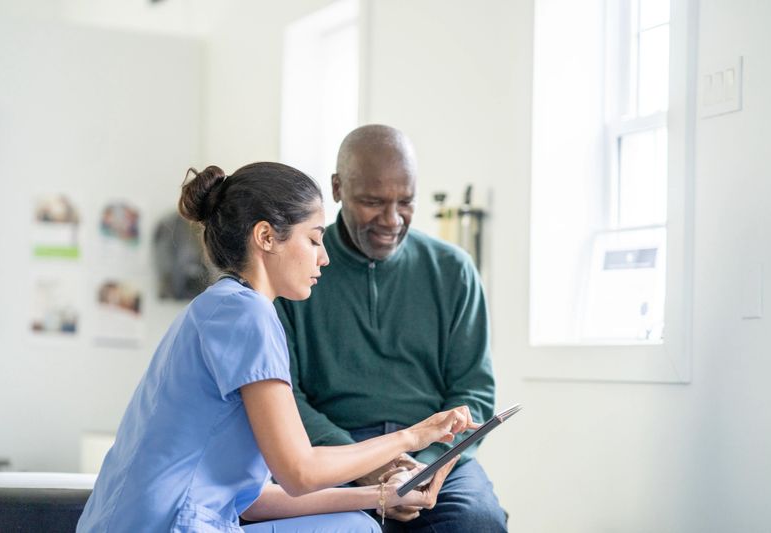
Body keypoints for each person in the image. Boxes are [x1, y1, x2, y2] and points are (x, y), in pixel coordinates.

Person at [76, 162, 478, 533]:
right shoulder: (247, 315)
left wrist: (379, 497)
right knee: (355, 530)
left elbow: (251, 502)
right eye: (314, 239)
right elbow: (299, 471)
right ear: (266, 237)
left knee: (357, 522)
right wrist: (414, 436)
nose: (324, 258)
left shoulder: (220, 307)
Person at [275, 126, 508, 532]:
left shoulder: (454, 271)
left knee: (477, 522)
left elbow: (475, 392)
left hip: (434, 450)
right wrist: (361, 460)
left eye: (406, 201)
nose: (392, 219)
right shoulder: (294, 273)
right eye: (372, 202)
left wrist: (426, 460)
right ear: (337, 188)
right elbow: (283, 396)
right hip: (330, 449)